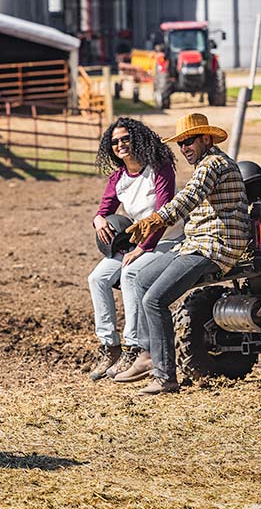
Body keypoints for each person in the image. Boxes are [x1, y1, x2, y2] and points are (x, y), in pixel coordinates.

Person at [127, 113, 252, 395]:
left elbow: (188, 198)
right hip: (196, 243)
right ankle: (149, 354)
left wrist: (156, 219)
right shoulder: (207, 164)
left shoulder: (214, 164)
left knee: (155, 299)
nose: (184, 148)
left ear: (206, 138)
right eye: (180, 143)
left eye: (188, 141)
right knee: (141, 277)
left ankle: (165, 377)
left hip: (215, 246)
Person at [87, 118, 180, 381]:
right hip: (138, 242)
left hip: (166, 239)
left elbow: (164, 214)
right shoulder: (118, 177)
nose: (120, 145)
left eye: (125, 138)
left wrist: (142, 248)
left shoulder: (159, 169)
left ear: (138, 139)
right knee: (97, 278)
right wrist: (98, 220)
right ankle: (110, 346)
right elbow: (103, 210)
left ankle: (134, 346)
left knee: (129, 274)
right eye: (115, 141)